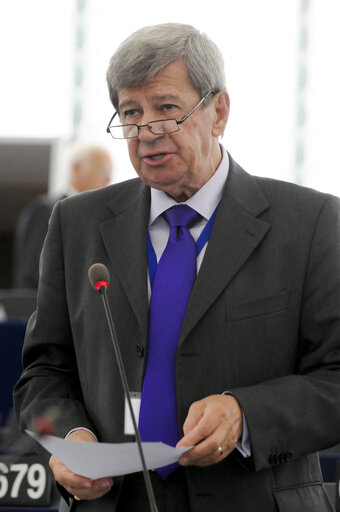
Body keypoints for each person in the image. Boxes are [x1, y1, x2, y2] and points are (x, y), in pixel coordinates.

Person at [13, 23, 340, 512]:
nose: (146, 133)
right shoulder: (76, 224)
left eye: (167, 108)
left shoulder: (311, 222)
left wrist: (245, 414)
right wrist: (68, 435)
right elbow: (41, 374)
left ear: (219, 111)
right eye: (131, 113)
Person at [12, 144, 113, 289]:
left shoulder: (99, 217)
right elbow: (32, 272)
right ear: (77, 168)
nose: (108, 179)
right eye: (104, 170)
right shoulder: (46, 209)